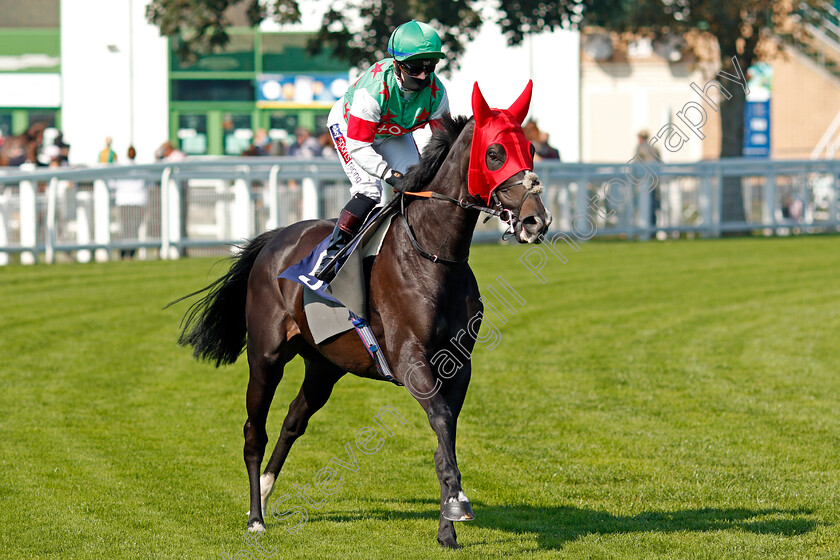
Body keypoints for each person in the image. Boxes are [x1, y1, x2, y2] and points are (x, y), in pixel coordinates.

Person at [314, 19, 450, 281]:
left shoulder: (437, 93)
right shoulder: (373, 91)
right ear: (397, 64)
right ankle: (333, 253)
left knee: (418, 186)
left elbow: (444, 143)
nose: (423, 76)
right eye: (414, 68)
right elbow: (358, 144)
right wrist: (389, 175)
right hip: (351, 129)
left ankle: (411, 250)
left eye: (429, 67)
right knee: (369, 190)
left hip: (390, 132)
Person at [112, 146, 147, 259]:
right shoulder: (140, 168)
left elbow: (114, 183)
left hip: (125, 200)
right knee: (133, 228)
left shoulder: (122, 167)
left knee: (126, 228)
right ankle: (129, 251)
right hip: (137, 200)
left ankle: (125, 251)